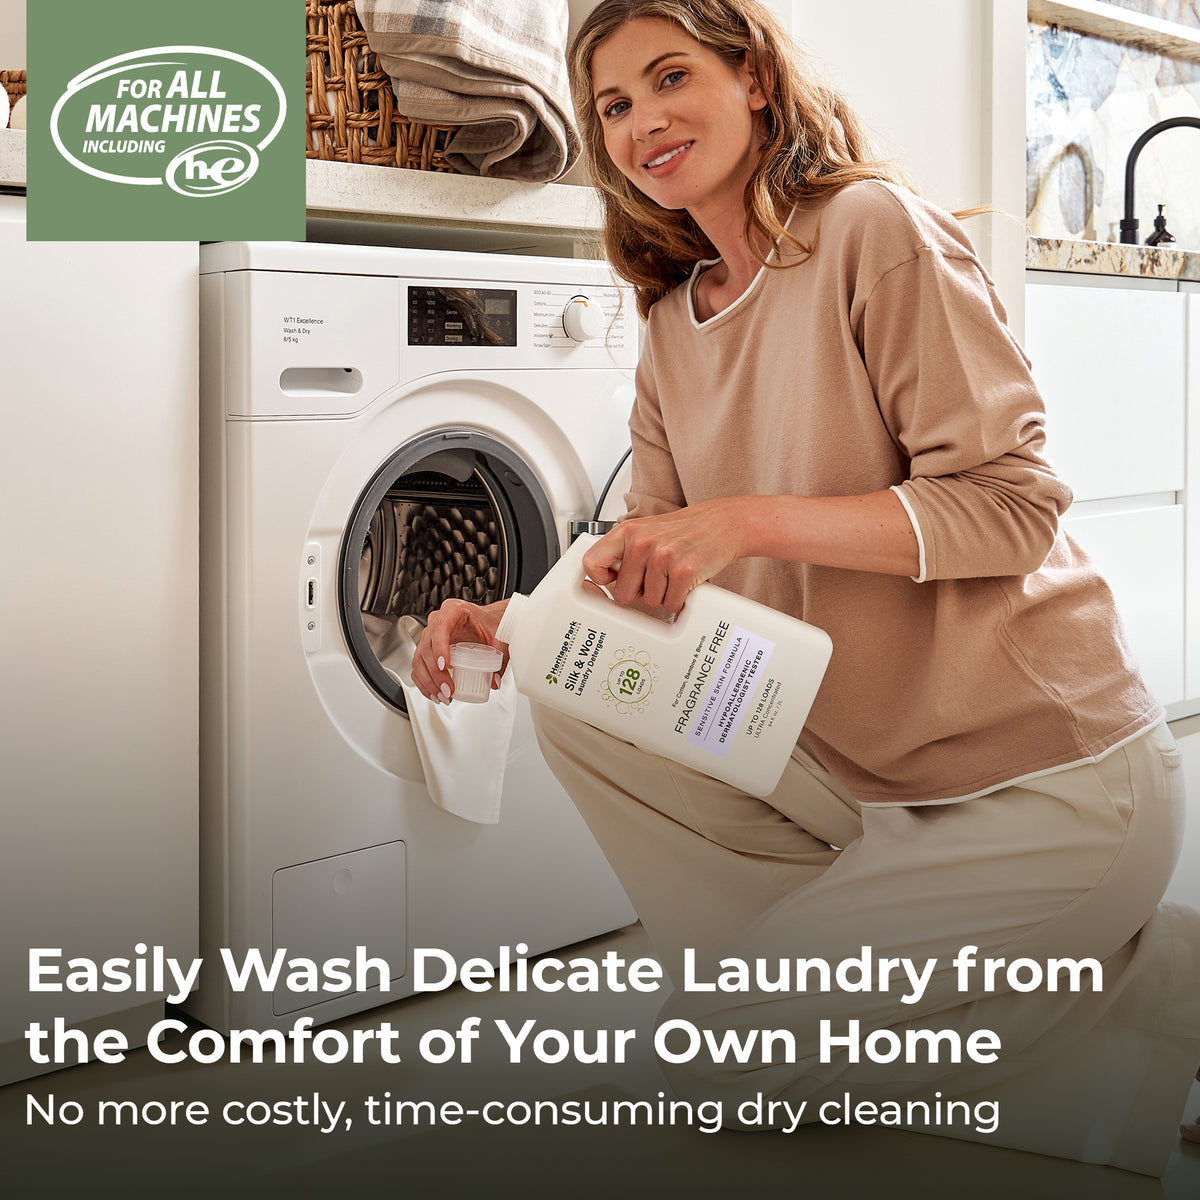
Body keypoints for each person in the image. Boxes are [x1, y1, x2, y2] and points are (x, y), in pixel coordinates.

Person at [411, 0, 1200, 1173]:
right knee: (573, 691)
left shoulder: (871, 231)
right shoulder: (673, 324)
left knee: (715, 1069)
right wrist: (519, 616)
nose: (643, 124)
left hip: (1050, 782)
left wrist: (743, 522)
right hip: (860, 785)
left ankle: (1130, 988)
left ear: (757, 81)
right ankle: (1083, 987)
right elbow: (646, 571)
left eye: (671, 78)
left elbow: (1016, 503)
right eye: (614, 106)